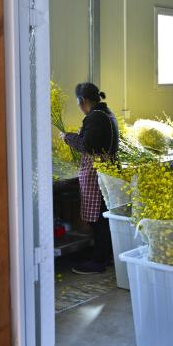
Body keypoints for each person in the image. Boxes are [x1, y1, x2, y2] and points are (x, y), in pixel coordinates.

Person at [63, 82, 119, 274]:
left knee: (98, 219)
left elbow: (88, 145)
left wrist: (68, 138)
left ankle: (98, 260)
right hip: (107, 170)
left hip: (97, 172)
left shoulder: (95, 117)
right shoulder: (107, 113)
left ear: (82, 100)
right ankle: (105, 256)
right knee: (103, 216)